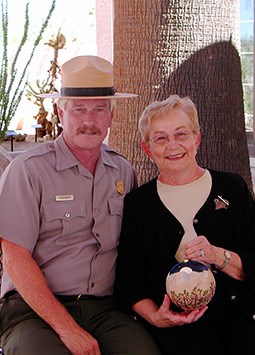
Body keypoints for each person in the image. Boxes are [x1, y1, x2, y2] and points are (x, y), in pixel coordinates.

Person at [0, 55, 161, 355]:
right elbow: (15, 259)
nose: (89, 121)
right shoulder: (28, 171)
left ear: (112, 116)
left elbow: (134, 249)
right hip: (33, 311)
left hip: (105, 310)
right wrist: (68, 329)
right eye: (79, 109)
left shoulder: (122, 171)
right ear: (61, 113)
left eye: (100, 109)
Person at [114, 94, 255, 355]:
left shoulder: (232, 189)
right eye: (161, 138)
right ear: (148, 149)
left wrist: (218, 256)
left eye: (181, 134)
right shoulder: (138, 204)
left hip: (238, 319)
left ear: (196, 139)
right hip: (175, 330)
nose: (173, 146)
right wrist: (156, 316)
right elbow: (128, 280)